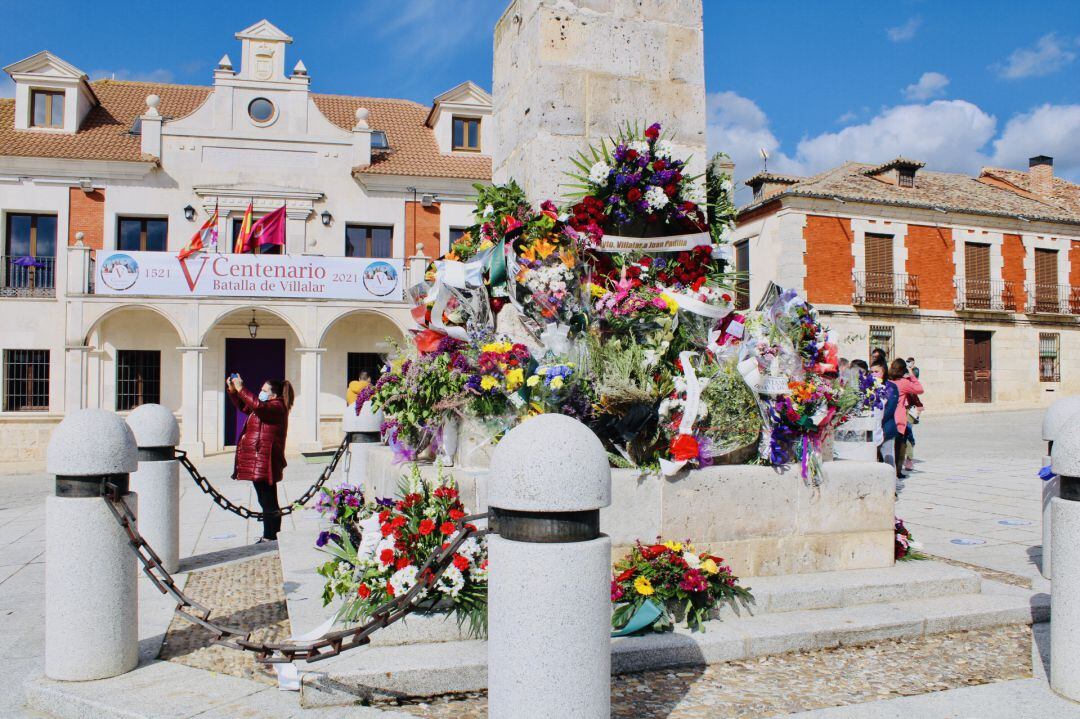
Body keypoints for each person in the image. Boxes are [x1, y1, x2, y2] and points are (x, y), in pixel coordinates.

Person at [226, 374, 295, 543]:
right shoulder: (266, 406)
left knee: (268, 500)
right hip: (260, 459)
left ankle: (271, 536)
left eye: (264, 390)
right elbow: (245, 406)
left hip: (266, 460)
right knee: (265, 499)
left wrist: (242, 388)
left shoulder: (277, 407)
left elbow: (258, 406)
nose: (260, 393)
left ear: (273, 394)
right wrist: (234, 391)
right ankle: (270, 535)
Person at [889, 358, 924, 478]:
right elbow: (919, 389)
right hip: (899, 417)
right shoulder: (903, 382)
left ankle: (888, 469)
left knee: (887, 445)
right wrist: (912, 375)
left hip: (888, 417)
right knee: (900, 445)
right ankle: (897, 471)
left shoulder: (888, 381)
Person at [871, 359, 901, 482]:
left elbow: (890, 408)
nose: (873, 374)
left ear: (884, 372)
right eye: (871, 372)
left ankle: (892, 484)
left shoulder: (891, 387)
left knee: (888, 457)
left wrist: (879, 421)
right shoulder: (869, 386)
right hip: (871, 429)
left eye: (876, 371)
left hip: (886, 428)